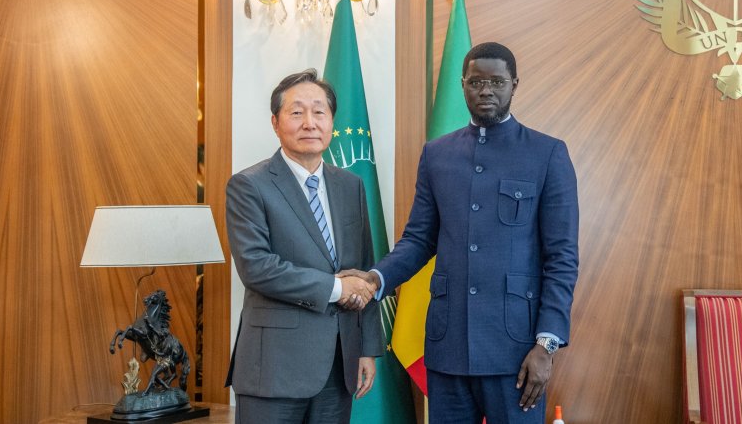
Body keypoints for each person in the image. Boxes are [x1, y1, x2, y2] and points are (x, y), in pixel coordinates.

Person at [348, 42, 579, 423]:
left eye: (496, 82)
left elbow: (562, 259)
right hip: (448, 346)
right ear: (463, 85)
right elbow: (419, 240)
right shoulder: (437, 154)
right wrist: (375, 279)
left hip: (517, 351)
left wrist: (547, 343)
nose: (486, 90)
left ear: (514, 84)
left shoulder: (547, 154)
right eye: (476, 82)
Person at [225, 69, 383, 424]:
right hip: (274, 369)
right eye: (297, 112)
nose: (309, 122)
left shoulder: (351, 185)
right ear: (275, 123)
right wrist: (337, 288)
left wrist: (367, 348)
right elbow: (257, 267)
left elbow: (364, 268)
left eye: (319, 112)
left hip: (339, 364)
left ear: (331, 122)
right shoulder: (249, 185)